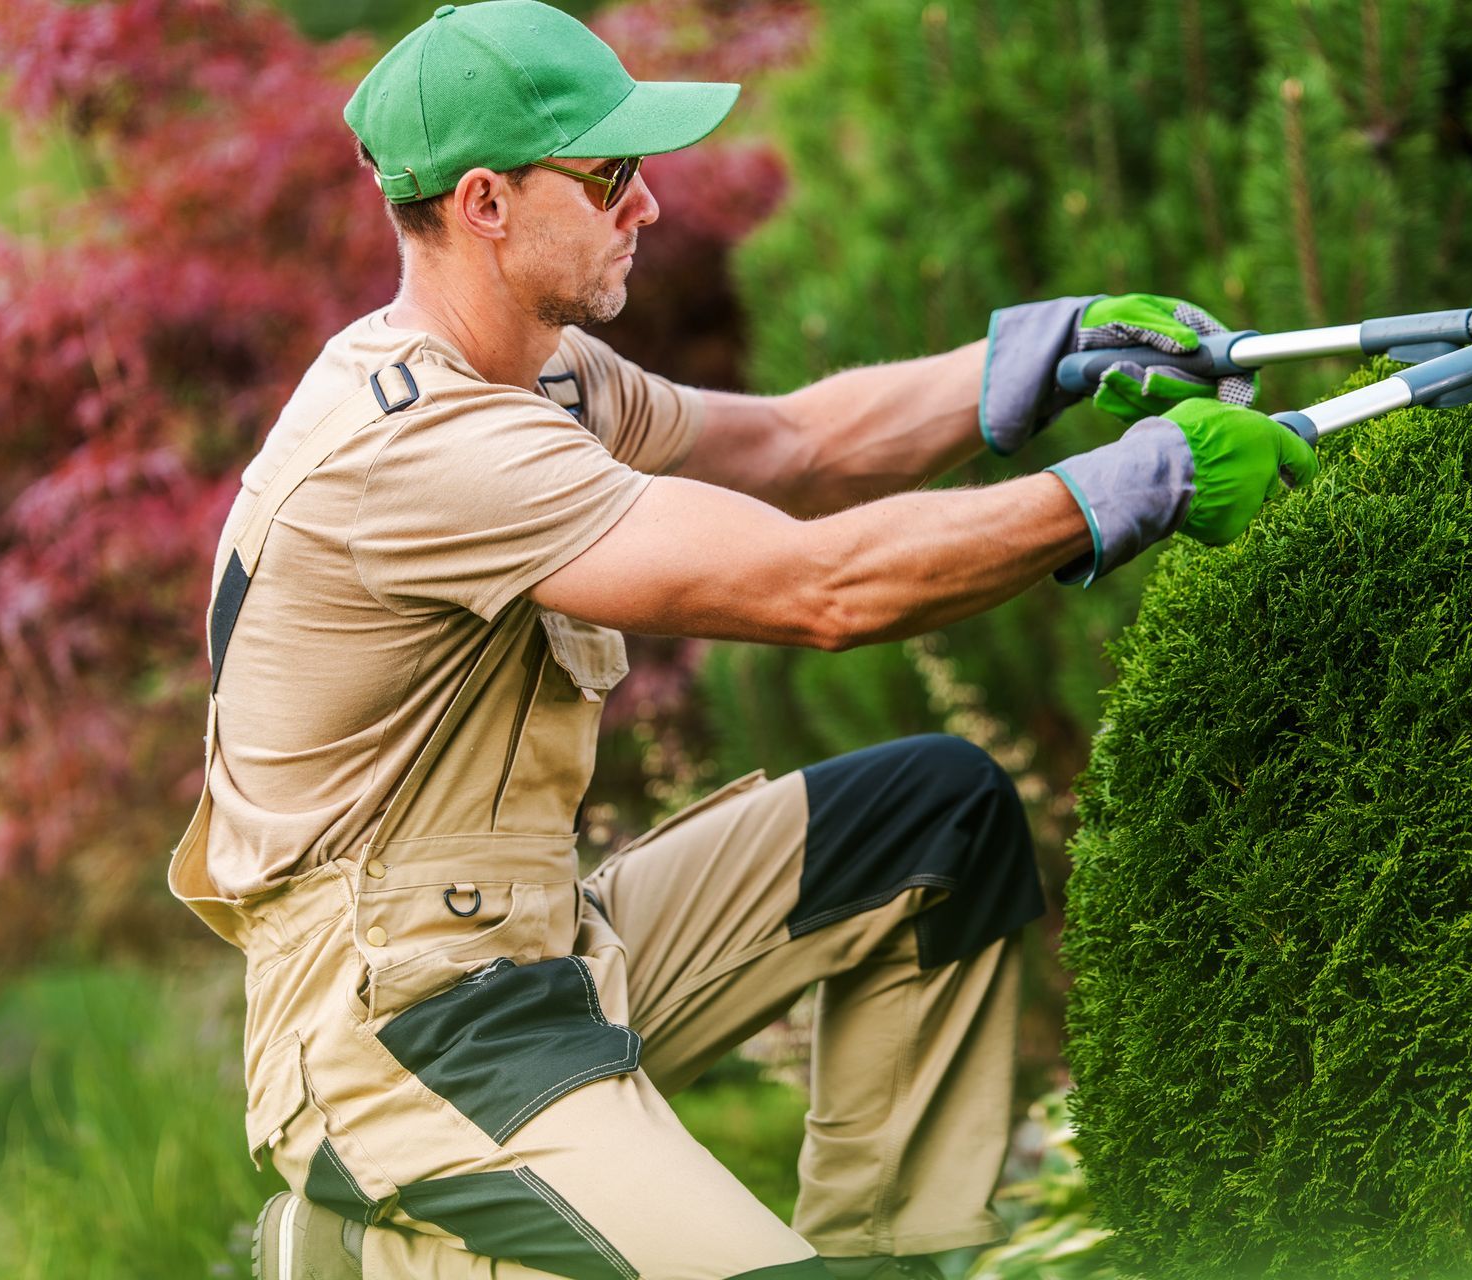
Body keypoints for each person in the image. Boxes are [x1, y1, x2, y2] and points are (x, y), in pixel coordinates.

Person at [167, 3, 1318, 1278]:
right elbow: (823, 589)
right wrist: (1118, 491)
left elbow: (796, 444)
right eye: (608, 175)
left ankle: (885, 1252)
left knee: (936, 822)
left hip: (544, 944)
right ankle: (371, 1251)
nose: (647, 203)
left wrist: (1041, 354)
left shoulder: (541, 373)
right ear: (486, 202)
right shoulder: (424, 448)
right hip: (398, 1027)